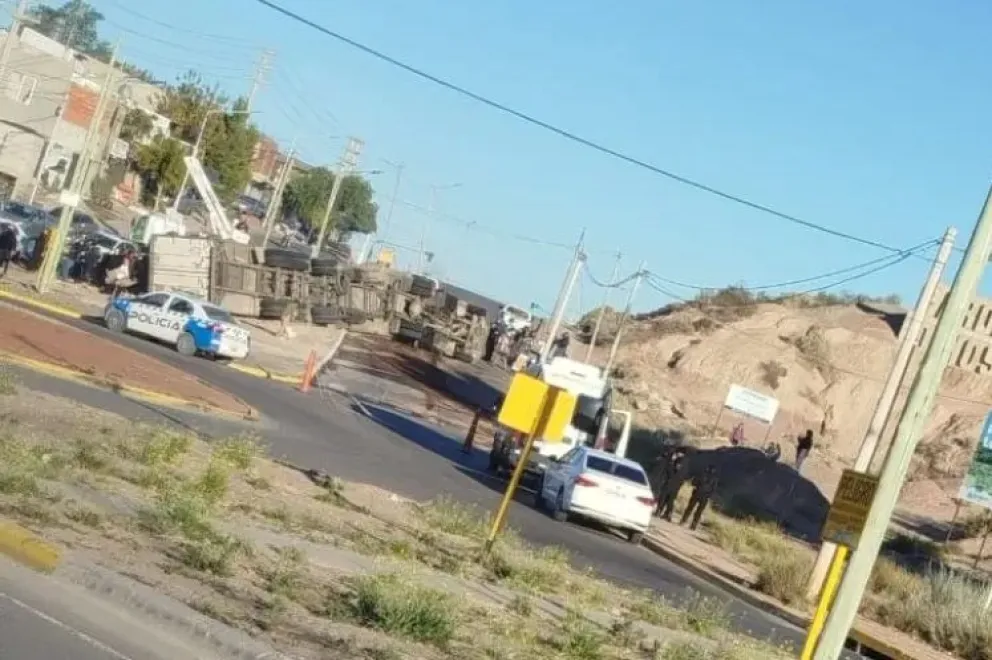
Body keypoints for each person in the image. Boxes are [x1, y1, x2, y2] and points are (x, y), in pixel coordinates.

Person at [681, 465, 719, 531]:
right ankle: (693, 525)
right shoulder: (714, 478)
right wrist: (708, 495)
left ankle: (684, 521)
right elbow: (713, 490)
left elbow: (694, 482)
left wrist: (696, 487)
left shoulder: (702, 474)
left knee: (690, 508)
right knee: (698, 511)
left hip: (698, 494)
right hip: (704, 496)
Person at [657, 450, 690, 520]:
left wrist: (672, 461)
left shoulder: (679, 461)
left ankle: (660, 512)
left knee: (664, 498)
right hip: (676, 486)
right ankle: (667, 514)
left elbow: (671, 472)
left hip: (670, 483)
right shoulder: (686, 464)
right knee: (670, 500)